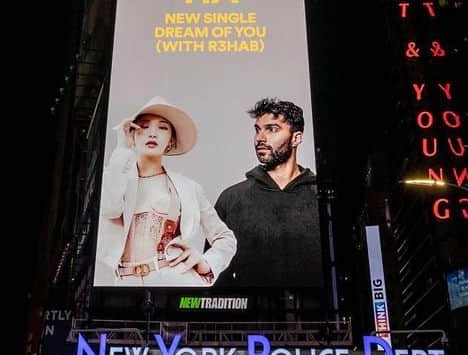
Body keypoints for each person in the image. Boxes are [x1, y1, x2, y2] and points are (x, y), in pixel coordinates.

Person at [96, 96, 236, 286]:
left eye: (162, 127)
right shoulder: (115, 178)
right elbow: (110, 208)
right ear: (133, 133)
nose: (152, 133)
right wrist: (122, 148)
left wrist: (206, 264)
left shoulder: (189, 188)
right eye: (144, 126)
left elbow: (225, 238)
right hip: (125, 283)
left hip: (174, 280)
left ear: (171, 139)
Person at [214, 97, 322, 287]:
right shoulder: (232, 199)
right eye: (258, 130)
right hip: (253, 315)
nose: (260, 139)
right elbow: (214, 274)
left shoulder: (321, 197)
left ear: (296, 138)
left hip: (316, 315)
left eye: (272, 129)